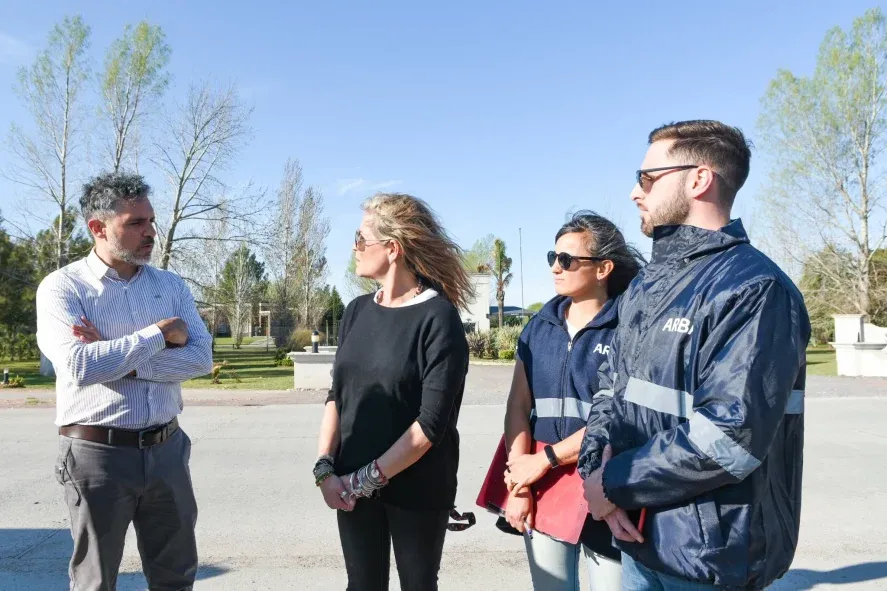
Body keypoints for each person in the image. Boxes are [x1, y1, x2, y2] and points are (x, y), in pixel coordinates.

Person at [579, 120, 811, 590]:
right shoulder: (647, 284)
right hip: (640, 536)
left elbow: (730, 436)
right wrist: (593, 474)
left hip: (710, 559)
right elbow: (610, 388)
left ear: (699, 179)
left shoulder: (754, 288)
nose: (633, 192)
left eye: (646, 178)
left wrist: (612, 483)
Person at [35, 172, 214, 590]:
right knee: (95, 580)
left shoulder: (170, 286)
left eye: (150, 221)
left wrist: (121, 358)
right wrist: (158, 336)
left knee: (176, 575)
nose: (149, 232)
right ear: (98, 228)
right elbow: (79, 365)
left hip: (167, 449)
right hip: (97, 454)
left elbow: (201, 357)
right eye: (135, 223)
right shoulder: (63, 289)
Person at [313, 192, 472, 591]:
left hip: (417, 490)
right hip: (350, 486)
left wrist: (363, 480)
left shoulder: (438, 317)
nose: (354, 247)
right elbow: (337, 396)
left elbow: (430, 426)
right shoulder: (356, 311)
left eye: (361, 237)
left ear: (393, 248)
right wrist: (325, 469)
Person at [501, 211, 644, 591]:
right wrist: (520, 483)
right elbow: (518, 406)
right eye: (553, 257)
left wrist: (543, 461)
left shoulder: (629, 328)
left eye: (567, 260)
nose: (556, 268)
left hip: (606, 481)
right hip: (541, 484)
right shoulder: (537, 327)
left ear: (603, 268)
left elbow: (615, 416)